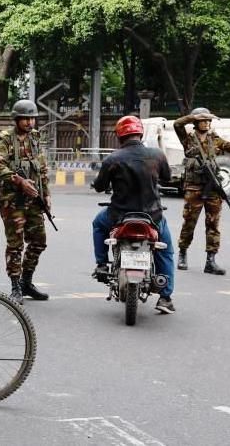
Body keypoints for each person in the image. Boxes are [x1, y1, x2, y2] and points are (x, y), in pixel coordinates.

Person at [92, 115, 176, 314]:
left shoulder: (113, 159)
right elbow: (168, 177)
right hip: (153, 216)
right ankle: (165, 297)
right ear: (140, 133)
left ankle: (102, 264)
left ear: (120, 136)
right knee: (166, 251)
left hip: (119, 215)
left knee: (98, 224)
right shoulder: (157, 155)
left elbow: (100, 186)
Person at [173, 107, 230, 275]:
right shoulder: (188, 139)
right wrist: (193, 116)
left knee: (213, 224)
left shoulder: (215, 139)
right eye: (203, 120)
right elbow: (177, 124)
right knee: (189, 223)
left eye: (208, 120)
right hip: (194, 187)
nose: (207, 123)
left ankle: (211, 261)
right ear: (195, 122)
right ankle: (183, 254)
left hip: (213, 188)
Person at [0, 99, 50, 304]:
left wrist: (47, 196)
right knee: (15, 245)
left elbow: (42, 168)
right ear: (16, 119)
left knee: (39, 241)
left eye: (32, 118)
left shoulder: (35, 137)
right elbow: (0, 167)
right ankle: (15, 286)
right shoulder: (5, 138)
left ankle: (27, 281)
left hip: (34, 199)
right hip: (13, 200)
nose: (30, 122)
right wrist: (19, 181)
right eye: (25, 118)